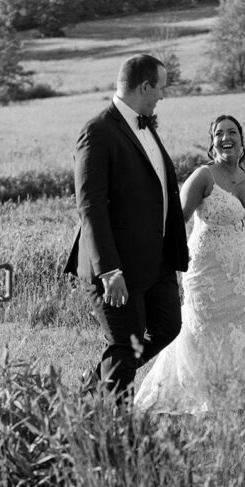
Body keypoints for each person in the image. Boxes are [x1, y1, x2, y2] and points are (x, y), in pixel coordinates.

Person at [133, 114, 245, 415]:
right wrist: (168, 266)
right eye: (219, 133)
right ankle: (205, 393)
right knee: (205, 333)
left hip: (243, 269)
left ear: (243, 141)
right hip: (206, 270)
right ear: (212, 141)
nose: (226, 138)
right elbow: (175, 223)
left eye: (232, 132)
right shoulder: (204, 176)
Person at [64, 53, 189, 398]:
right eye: (160, 88)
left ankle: (93, 385)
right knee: (125, 342)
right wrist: (109, 271)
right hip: (117, 264)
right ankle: (115, 430)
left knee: (167, 326)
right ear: (145, 86)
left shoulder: (145, 124)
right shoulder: (98, 132)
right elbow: (89, 206)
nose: (163, 95)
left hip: (155, 260)